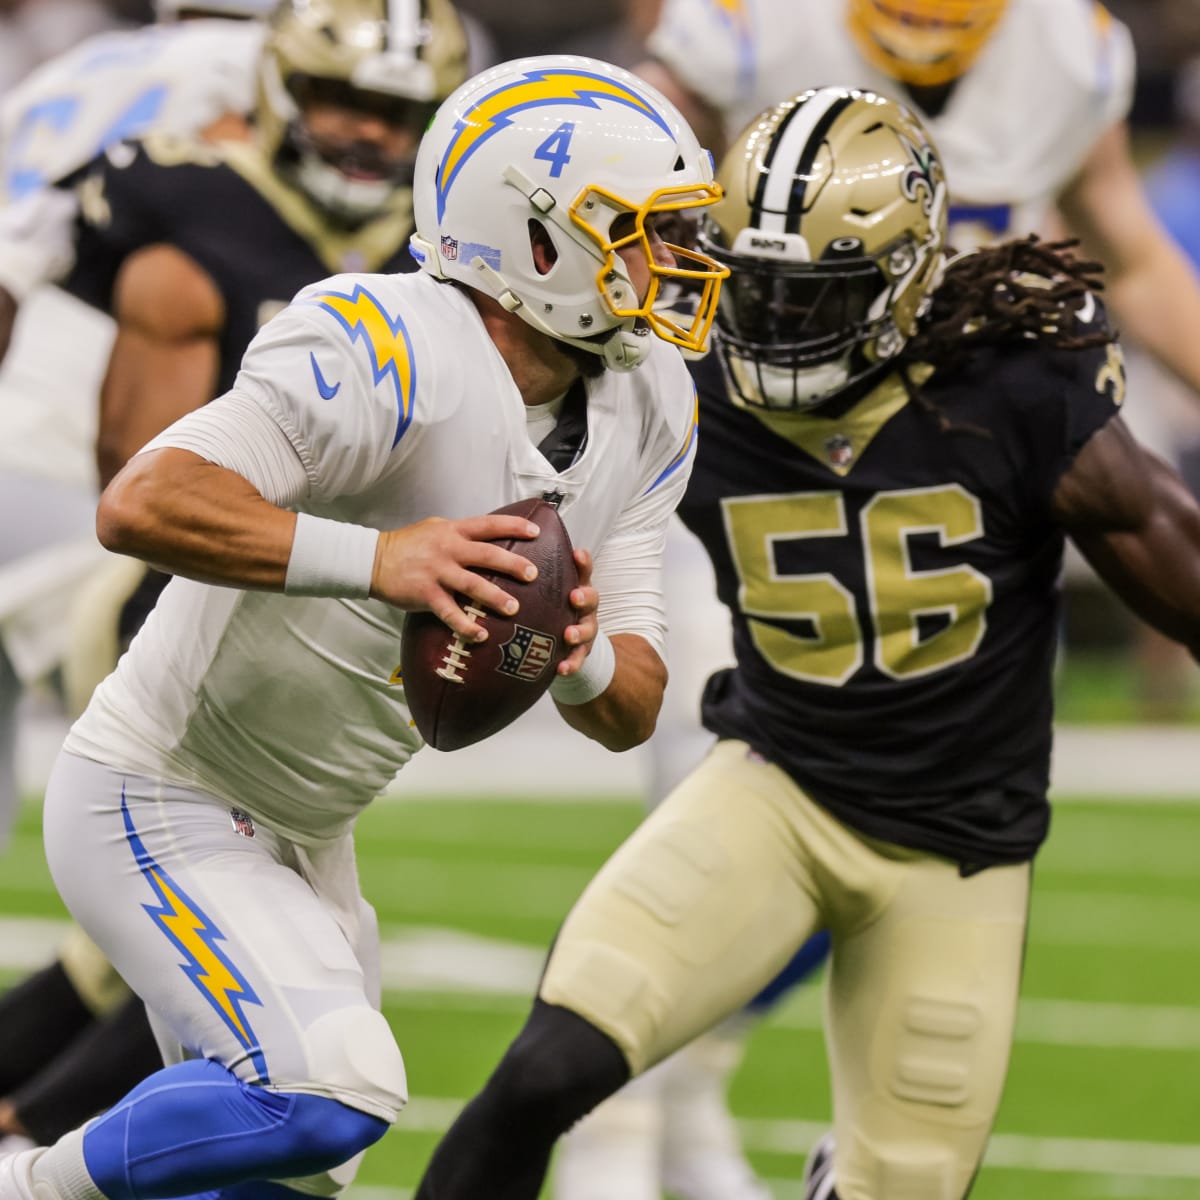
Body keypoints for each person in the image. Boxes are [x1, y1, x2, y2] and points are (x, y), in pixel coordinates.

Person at [411, 86, 1200, 1200]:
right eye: (758, 284)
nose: (773, 322)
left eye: (812, 295)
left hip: (956, 853)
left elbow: (1174, 555)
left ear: (907, 280)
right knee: (542, 1076)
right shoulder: (680, 382)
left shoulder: (1011, 386)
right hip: (773, 793)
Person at [0, 50, 730, 1199]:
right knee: (326, 1091)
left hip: (305, 830)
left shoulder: (649, 399)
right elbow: (142, 500)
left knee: (279, 1173)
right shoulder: (383, 341)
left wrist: (580, 659)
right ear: (535, 238)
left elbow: (633, 704)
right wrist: (381, 558)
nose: (674, 262)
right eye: (638, 230)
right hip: (160, 788)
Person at [0, 0, 469, 1153]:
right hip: (128, 585)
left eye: (395, 114)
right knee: (258, 930)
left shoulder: (401, 250)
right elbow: (152, 494)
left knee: (133, 950)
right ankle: (39, 1146)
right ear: (276, 84)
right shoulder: (198, 214)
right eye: (344, 101)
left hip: (215, 595)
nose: (366, 136)